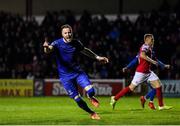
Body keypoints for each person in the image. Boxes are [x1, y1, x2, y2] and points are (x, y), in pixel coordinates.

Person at [43, 24, 109, 120]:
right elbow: (48, 50)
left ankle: (90, 96)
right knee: (77, 99)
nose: (68, 34)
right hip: (65, 77)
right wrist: (46, 47)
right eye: (65, 33)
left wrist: (98, 57)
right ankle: (92, 113)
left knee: (91, 91)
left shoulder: (76, 43)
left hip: (78, 73)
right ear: (62, 34)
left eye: (69, 32)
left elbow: (86, 51)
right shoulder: (57, 43)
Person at [110, 34, 172, 110]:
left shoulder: (150, 49)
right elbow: (142, 55)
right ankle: (115, 98)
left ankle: (161, 106)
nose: (153, 41)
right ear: (147, 40)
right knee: (131, 88)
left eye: (153, 39)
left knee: (158, 85)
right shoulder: (144, 47)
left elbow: (156, 60)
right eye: (151, 39)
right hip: (141, 73)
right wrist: (127, 67)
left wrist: (164, 65)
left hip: (148, 72)